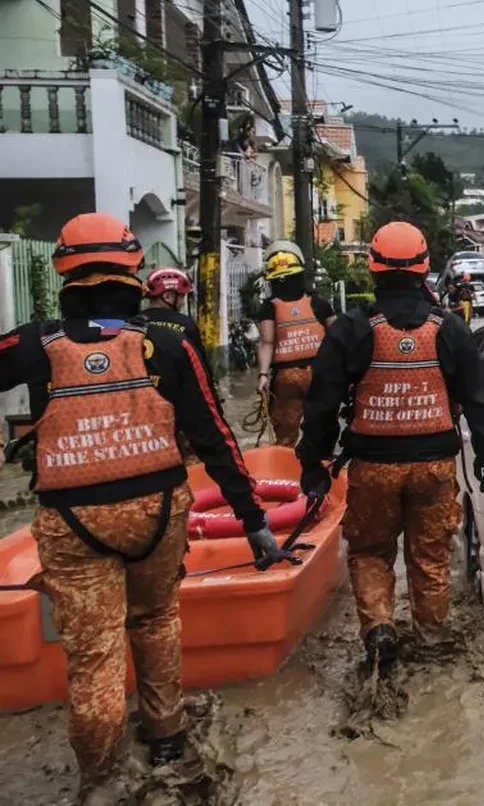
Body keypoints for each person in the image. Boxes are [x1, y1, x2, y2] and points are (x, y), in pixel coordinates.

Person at [0, 214, 288, 803]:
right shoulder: (170, 341)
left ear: (63, 270)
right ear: (135, 270)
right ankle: (166, 737)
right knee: (156, 621)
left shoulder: (35, 342)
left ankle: (102, 780)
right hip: (159, 515)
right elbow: (215, 436)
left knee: (96, 654)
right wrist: (254, 523)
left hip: (73, 524)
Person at [295, 222, 484, 672]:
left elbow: (321, 404)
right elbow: (478, 396)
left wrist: (312, 462)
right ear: (425, 269)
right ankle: (429, 640)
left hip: (373, 468)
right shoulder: (449, 328)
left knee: (370, 551)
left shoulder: (352, 328)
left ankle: (380, 629)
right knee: (429, 557)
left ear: (372, 269)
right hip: (434, 468)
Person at [254, 241, 335, 446]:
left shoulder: (269, 308)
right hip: (320, 374)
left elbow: (266, 343)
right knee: (321, 433)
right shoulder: (320, 304)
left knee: (285, 437)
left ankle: (287, 473)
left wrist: (262, 375)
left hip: (286, 377)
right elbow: (338, 339)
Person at [139, 268, 211, 465]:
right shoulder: (185, 324)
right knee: (190, 461)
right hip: (179, 408)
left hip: (144, 408)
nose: (182, 302)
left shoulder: (133, 324)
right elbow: (201, 371)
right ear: (169, 295)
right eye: (181, 297)